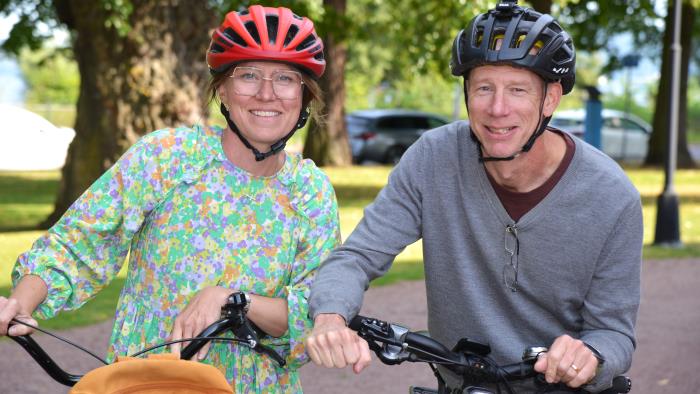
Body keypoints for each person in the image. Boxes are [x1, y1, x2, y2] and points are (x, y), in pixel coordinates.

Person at [0, 5, 340, 393]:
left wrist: (230, 300)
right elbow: (80, 243)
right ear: (223, 90)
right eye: (248, 75)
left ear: (304, 95)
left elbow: (314, 312)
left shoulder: (310, 192)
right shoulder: (167, 157)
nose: (267, 93)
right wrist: (22, 302)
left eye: (285, 78)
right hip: (147, 380)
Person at [306, 1, 642, 393]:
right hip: (461, 383)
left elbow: (614, 333)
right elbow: (358, 257)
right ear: (467, 92)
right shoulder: (433, 158)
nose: (497, 109)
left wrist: (590, 354)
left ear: (550, 99)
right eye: (484, 88)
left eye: (517, 90)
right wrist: (330, 317)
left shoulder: (611, 197)